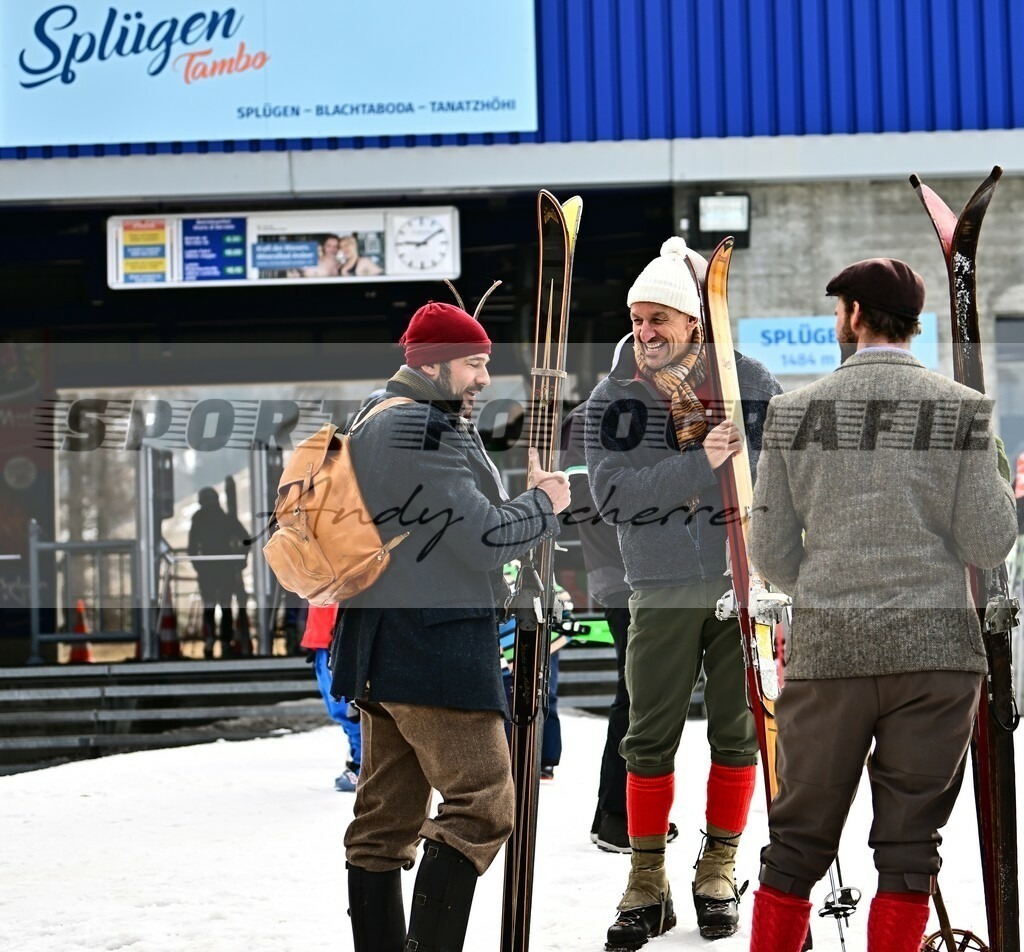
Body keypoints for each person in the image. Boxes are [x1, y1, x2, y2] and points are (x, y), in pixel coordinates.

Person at [746, 258, 1018, 952]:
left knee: (797, 843)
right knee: (909, 851)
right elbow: (989, 544)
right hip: (936, 658)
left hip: (829, 651)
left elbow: (771, 551)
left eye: (840, 311)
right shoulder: (962, 411)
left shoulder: (791, 413)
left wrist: (830, 581)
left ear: (856, 315)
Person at [330, 300, 571, 952]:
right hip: (431, 651)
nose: (483, 378)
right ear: (434, 365)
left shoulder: (376, 417)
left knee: (383, 822)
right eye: (472, 363)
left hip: (383, 650)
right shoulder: (425, 430)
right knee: (483, 804)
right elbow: (486, 538)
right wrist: (544, 504)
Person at [585, 237, 782, 946]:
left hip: (742, 581)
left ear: (694, 322)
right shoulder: (615, 398)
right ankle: (646, 882)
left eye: (658, 320)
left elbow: (788, 462)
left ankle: (718, 868)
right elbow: (615, 498)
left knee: (739, 734)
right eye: (637, 320)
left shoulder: (747, 379)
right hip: (661, 586)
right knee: (648, 740)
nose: (645, 334)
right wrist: (701, 464)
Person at [300, 603, 362, 791]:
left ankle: (362, 766)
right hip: (325, 633)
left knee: (349, 709)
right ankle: (360, 762)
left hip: (337, 632)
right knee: (343, 709)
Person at [187, 486, 249, 659]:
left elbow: (192, 546)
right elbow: (246, 539)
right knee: (226, 604)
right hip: (225, 567)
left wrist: (197, 565)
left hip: (207, 568)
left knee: (209, 605)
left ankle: (209, 641)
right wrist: (240, 559)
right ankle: (224, 642)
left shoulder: (198, 518)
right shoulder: (226, 518)